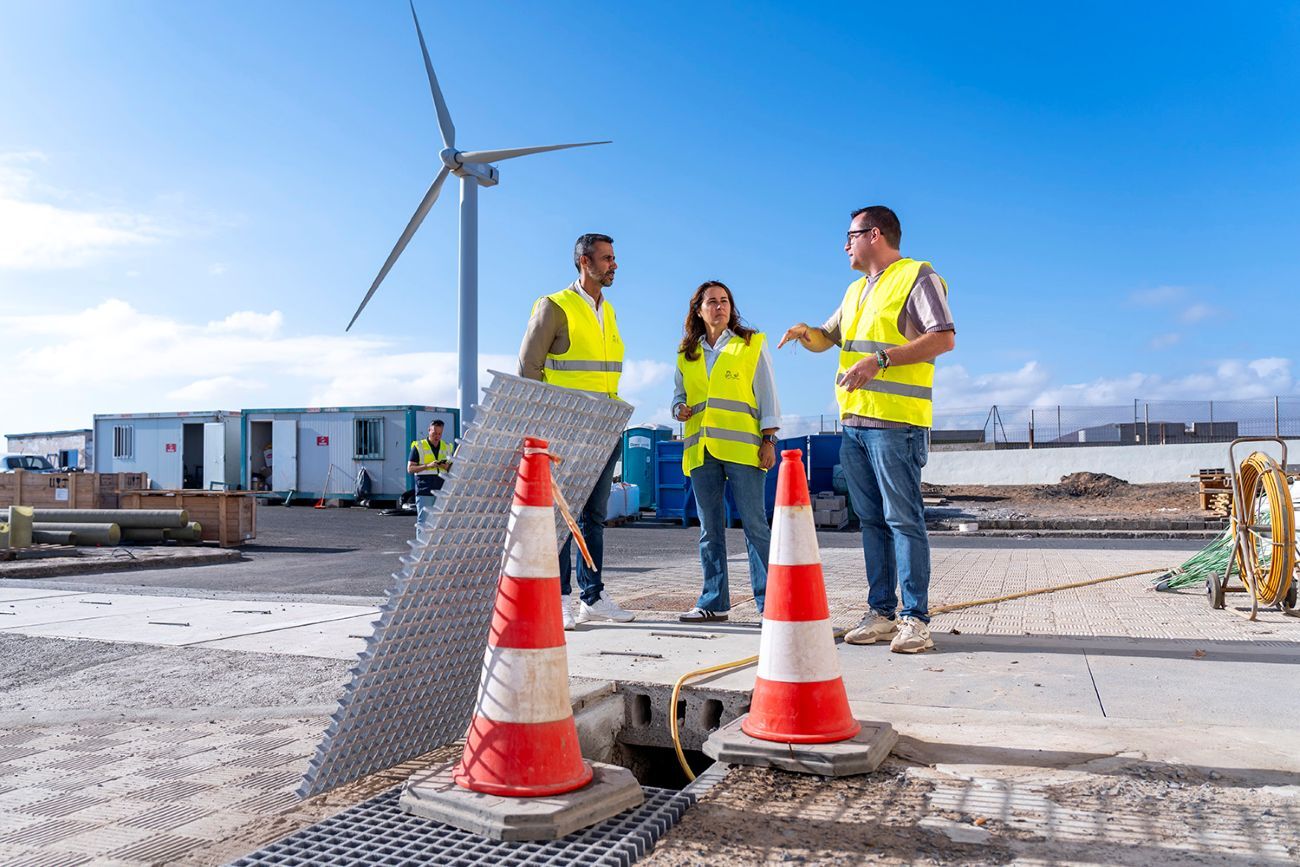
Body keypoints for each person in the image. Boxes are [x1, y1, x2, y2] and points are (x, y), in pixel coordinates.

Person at [779, 205, 955, 653]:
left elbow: (943, 337)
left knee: (903, 519)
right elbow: (828, 337)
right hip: (855, 424)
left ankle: (915, 619)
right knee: (872, 521)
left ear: (873, 235)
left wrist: (880, 361)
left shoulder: (918, 277)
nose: (845, 245)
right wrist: (806, 333)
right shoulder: (856, 290)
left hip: (896, 424)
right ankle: (881, 612)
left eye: (850, 235)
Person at [519, 232, 636, 630]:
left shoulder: (611, 311)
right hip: (566, 430)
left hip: (605, 428)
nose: (614, 264)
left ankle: (593, 596)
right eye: (606, 258)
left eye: (614, 258)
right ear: (585, 262)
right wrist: (540, 426)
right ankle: (560, 597)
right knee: (561, 519)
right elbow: (529, 369)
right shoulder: (554, 306)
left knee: (594, 517)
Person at [672, 281, 780, 622]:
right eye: (712, 302)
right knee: (709, 530)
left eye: (725, 301)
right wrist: (679, 409)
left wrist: (769, 440)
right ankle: (713, 602)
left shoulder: (751, 344)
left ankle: (771, 604)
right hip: (702, 451)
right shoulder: (686, 354)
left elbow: (767, 394)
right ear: (698, 310)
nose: (719, 307)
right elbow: (678, 396)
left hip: (744, 449)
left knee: (755, 527)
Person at [407, 419, 452, 526]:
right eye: (434, 433)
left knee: (440, 524)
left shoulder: (447, 447)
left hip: (441, 491)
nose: (437, 436)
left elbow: (452, 469)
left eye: (440, 434)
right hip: (424, 491)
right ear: (429, 430)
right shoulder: (418, 446)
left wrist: (446, 466)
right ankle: (422, 543)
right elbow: (410, 469)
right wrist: (428, 466)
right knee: (424, 523)